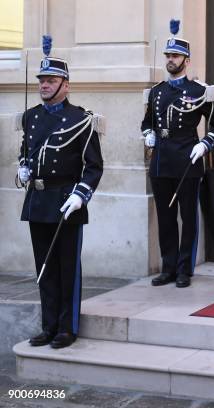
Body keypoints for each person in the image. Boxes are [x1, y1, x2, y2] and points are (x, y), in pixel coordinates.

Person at [16, 35, 103, 349]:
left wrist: (80, 195)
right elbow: (27, 151)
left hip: (67, 201)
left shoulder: (81, 119)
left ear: (66, 85)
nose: (44, 85)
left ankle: (67, 327)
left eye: (51, 80)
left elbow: (94, 166)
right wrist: (22, 168)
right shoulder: (31, 117)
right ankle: (48, 325)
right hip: (38, 201)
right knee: (44, 268)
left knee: (67, 268)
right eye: (42, 80)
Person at [141, 19, 214, 288]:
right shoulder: (156, 92)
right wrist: (147, 134)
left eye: (175, 56)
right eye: (168, 55)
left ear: (186, 60)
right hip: (161, 161)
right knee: (165, 217)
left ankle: (184, 269)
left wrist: (205, 144)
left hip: (188, 160)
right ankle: (168, 267)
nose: (170, 60)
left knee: (188, 216)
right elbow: (147, 122)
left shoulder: (199, 91)